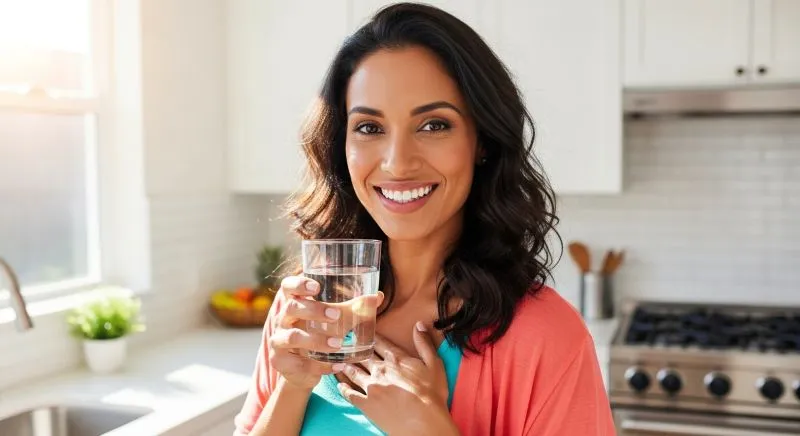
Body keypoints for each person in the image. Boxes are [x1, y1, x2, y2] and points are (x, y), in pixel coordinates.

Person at [233, 3, 615, 435]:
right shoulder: (307, 308)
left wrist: (427, 427)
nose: (397, 164)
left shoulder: (547, 337)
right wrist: (292, 386)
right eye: (369, 128)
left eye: (434, 125)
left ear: (482, 141)